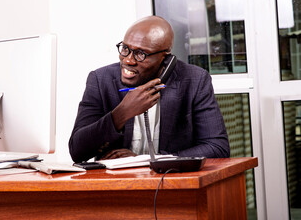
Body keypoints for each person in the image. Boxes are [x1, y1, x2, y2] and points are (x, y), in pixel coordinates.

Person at [69, 16, 230, 163]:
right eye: (125, 49)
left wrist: (147, 160)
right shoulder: (100, 80)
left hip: (173, 184)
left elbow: (217, 147)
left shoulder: (194, 80)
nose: (128, 60)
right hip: (116, 186)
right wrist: (121, 114)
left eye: (141, 54)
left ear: (165, 58)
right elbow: (77, 151)